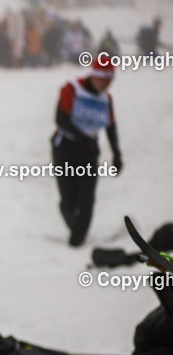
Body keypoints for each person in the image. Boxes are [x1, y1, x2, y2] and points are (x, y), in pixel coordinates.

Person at [50, 56, 122, 247]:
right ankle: (77, 230)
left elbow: (110, 126)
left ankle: (77, 242)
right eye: (104, 81)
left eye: (110, 82)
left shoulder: (106, 99)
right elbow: (60, 119)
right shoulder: (72, 89)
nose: (107, 86)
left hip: (88, 152)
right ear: (95, 76)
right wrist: (83, 138)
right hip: (65, 148)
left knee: (87, 199)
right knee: (69, 202)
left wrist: (117, 153)